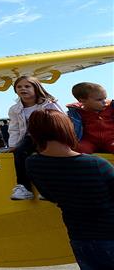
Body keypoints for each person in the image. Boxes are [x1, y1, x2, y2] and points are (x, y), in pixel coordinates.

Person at [25, 109, 114, 269]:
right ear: (66, 129)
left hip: (79, 237)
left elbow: (50, 195)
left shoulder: (32, 163)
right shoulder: (97, 164)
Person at [7, 75, 63, 200]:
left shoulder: (49, 104)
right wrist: (13, 145)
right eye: (19, 86)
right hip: (30, 137)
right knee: (20, 153)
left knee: (46, 157)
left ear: (36, 88)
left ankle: (48, 188)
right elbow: (14, 128)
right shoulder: (14, 109)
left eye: (27, 86)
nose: (23, 89)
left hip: (50, 135)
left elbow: (62, 119)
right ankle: (23, 187)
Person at [67, 82, 114, 154]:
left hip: (111, 139)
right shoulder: (76, 113)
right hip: (89, 141)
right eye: (99, 100)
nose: (104, 102)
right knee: (78, 148)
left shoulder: (110, 108)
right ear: (82, 100)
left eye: (105, 98)